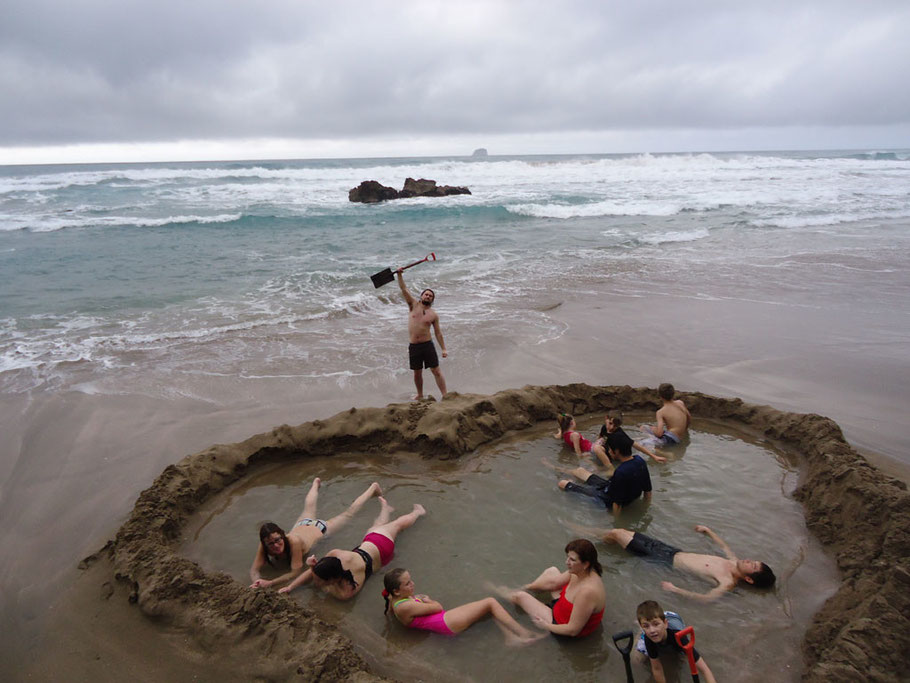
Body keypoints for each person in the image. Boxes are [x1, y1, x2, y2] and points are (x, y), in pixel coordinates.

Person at [572, 524, 775, 601]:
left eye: (753, 565)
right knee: (620, 531)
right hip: (671, 550)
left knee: (617, 533)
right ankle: (594, 536)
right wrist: (708, 531)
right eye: (754, 561)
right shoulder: (733, 561)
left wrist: (676, 590)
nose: (750, 560)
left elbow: (705, 598)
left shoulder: (727, 582)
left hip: (663, 561)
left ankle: (583, 533)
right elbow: (723, 545)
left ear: (748, 579)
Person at [278, 498, 425, 600]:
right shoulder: (338, 562)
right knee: (386, 527)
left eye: (322, 579)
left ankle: (413, 512)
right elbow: (315, 576)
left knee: (390, 526)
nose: (319, 579)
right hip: (374, 546)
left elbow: (316, 580)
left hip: (378, 550)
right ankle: (400, 511)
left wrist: (299, 581)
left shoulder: (345, 590)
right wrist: (292, 586)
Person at [249, 479, 381, 590]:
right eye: (270, 543)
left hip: (320, 529)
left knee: (349, 513)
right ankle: (316, 483)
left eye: (278, 540)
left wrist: (271, 582)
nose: (276, 545)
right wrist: (257, 581)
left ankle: (373, 488)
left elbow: (295, 572)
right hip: (300, 525)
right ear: (265, 542)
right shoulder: (264, 543)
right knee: (309, 506)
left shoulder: (293, 542)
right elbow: (254, 570)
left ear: (282, 535)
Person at [382, 568, 543, 645]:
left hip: (441, 621)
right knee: (490, 602)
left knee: (487, 610)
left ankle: (510, 637)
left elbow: (391, 608)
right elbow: (438, 607)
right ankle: (524, 633)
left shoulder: (394, 597)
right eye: (408, 583)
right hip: (445, 623)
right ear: (396, 590)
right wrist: (428, 600)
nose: (413, 584)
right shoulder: (405, 607)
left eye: (411, 580)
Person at [507, 539, 606, 637]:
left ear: (586, 564)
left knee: (519, 596)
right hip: (563, 607)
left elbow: (573, 630)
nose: (567, 562)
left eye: (572, 560)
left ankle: (503, 595)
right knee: (552, 571)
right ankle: (521, 589)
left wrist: (545, 626)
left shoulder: (587, 592)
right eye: (568, 557)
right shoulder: (583, 571)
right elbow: (553, 584)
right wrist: (527, 587)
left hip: (561, 625)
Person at [556, 431, 652, 515]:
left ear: (617, 451)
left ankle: (568, 481)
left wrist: (616, 523)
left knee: (562, 483)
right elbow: (648, 491)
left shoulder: (620, 472)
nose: (609, 452)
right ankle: (567, 474)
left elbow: (616, 504)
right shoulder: (640, 461)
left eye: (610, 449)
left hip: (605, 498)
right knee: (580, 471)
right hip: (611, 488)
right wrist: (645, 509)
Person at [636, 600, 717, 683]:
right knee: (636, 660)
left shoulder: (680, 637)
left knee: (679, 657)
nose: (652, 630)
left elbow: (705, 670)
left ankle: (651, 623)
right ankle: (641, 630)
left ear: (665, 624)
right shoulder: (648, 638)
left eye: (655, 624)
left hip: (674, 618)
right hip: (660, 621)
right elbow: (657, 668)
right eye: (646, 626)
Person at [396, 269, 447, 400]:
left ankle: (445, 395)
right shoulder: (413, 305)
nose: (428, 296)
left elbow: (438, 333)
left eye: (430, 296)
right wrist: (400, 275)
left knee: (436, 371)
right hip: (414, 346)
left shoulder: (433, 314)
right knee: (417, 373)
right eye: (426, 294)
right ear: (421, 296)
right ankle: (420, 394)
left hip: (427, 345)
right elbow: (404, 288)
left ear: (432, 300)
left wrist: (444, 349)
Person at [597, 412, 666, 463]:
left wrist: (654, 456)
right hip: (609, 453)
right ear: (606, 418)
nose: (611, 428)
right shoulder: (604, 427)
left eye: (615, 426)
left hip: (617, 457)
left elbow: (634, 444)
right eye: (610, 423)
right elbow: (600, 438)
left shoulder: (619, 434)